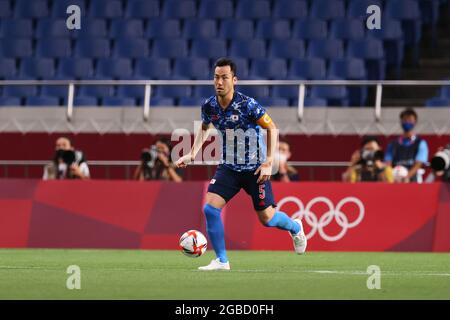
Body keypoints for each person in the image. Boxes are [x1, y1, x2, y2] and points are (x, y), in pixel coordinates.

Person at [175, 58, 306, 271]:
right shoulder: (209, 106)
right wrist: (191, 154)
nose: (219, 82)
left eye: (224, 77)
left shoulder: (248, 105)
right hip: (229, 167)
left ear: (234, 80)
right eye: (216, 77)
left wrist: (269, 161)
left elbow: (272, 128)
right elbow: (205, 128)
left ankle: (295, 226)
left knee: (267, 218)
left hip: (256, 168)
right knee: (210, 209)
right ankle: (222, 261)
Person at [384, 108, 429, 183]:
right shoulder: (392, 144)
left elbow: (418, 164)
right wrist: (392, 177)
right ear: (401, 121)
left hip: (413, 181)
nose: (407, 122)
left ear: (415, 122)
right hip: (395, 180)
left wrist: (406, 177)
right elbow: (388, 163)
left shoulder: (421, 143)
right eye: (405, 120)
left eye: (410, 120)